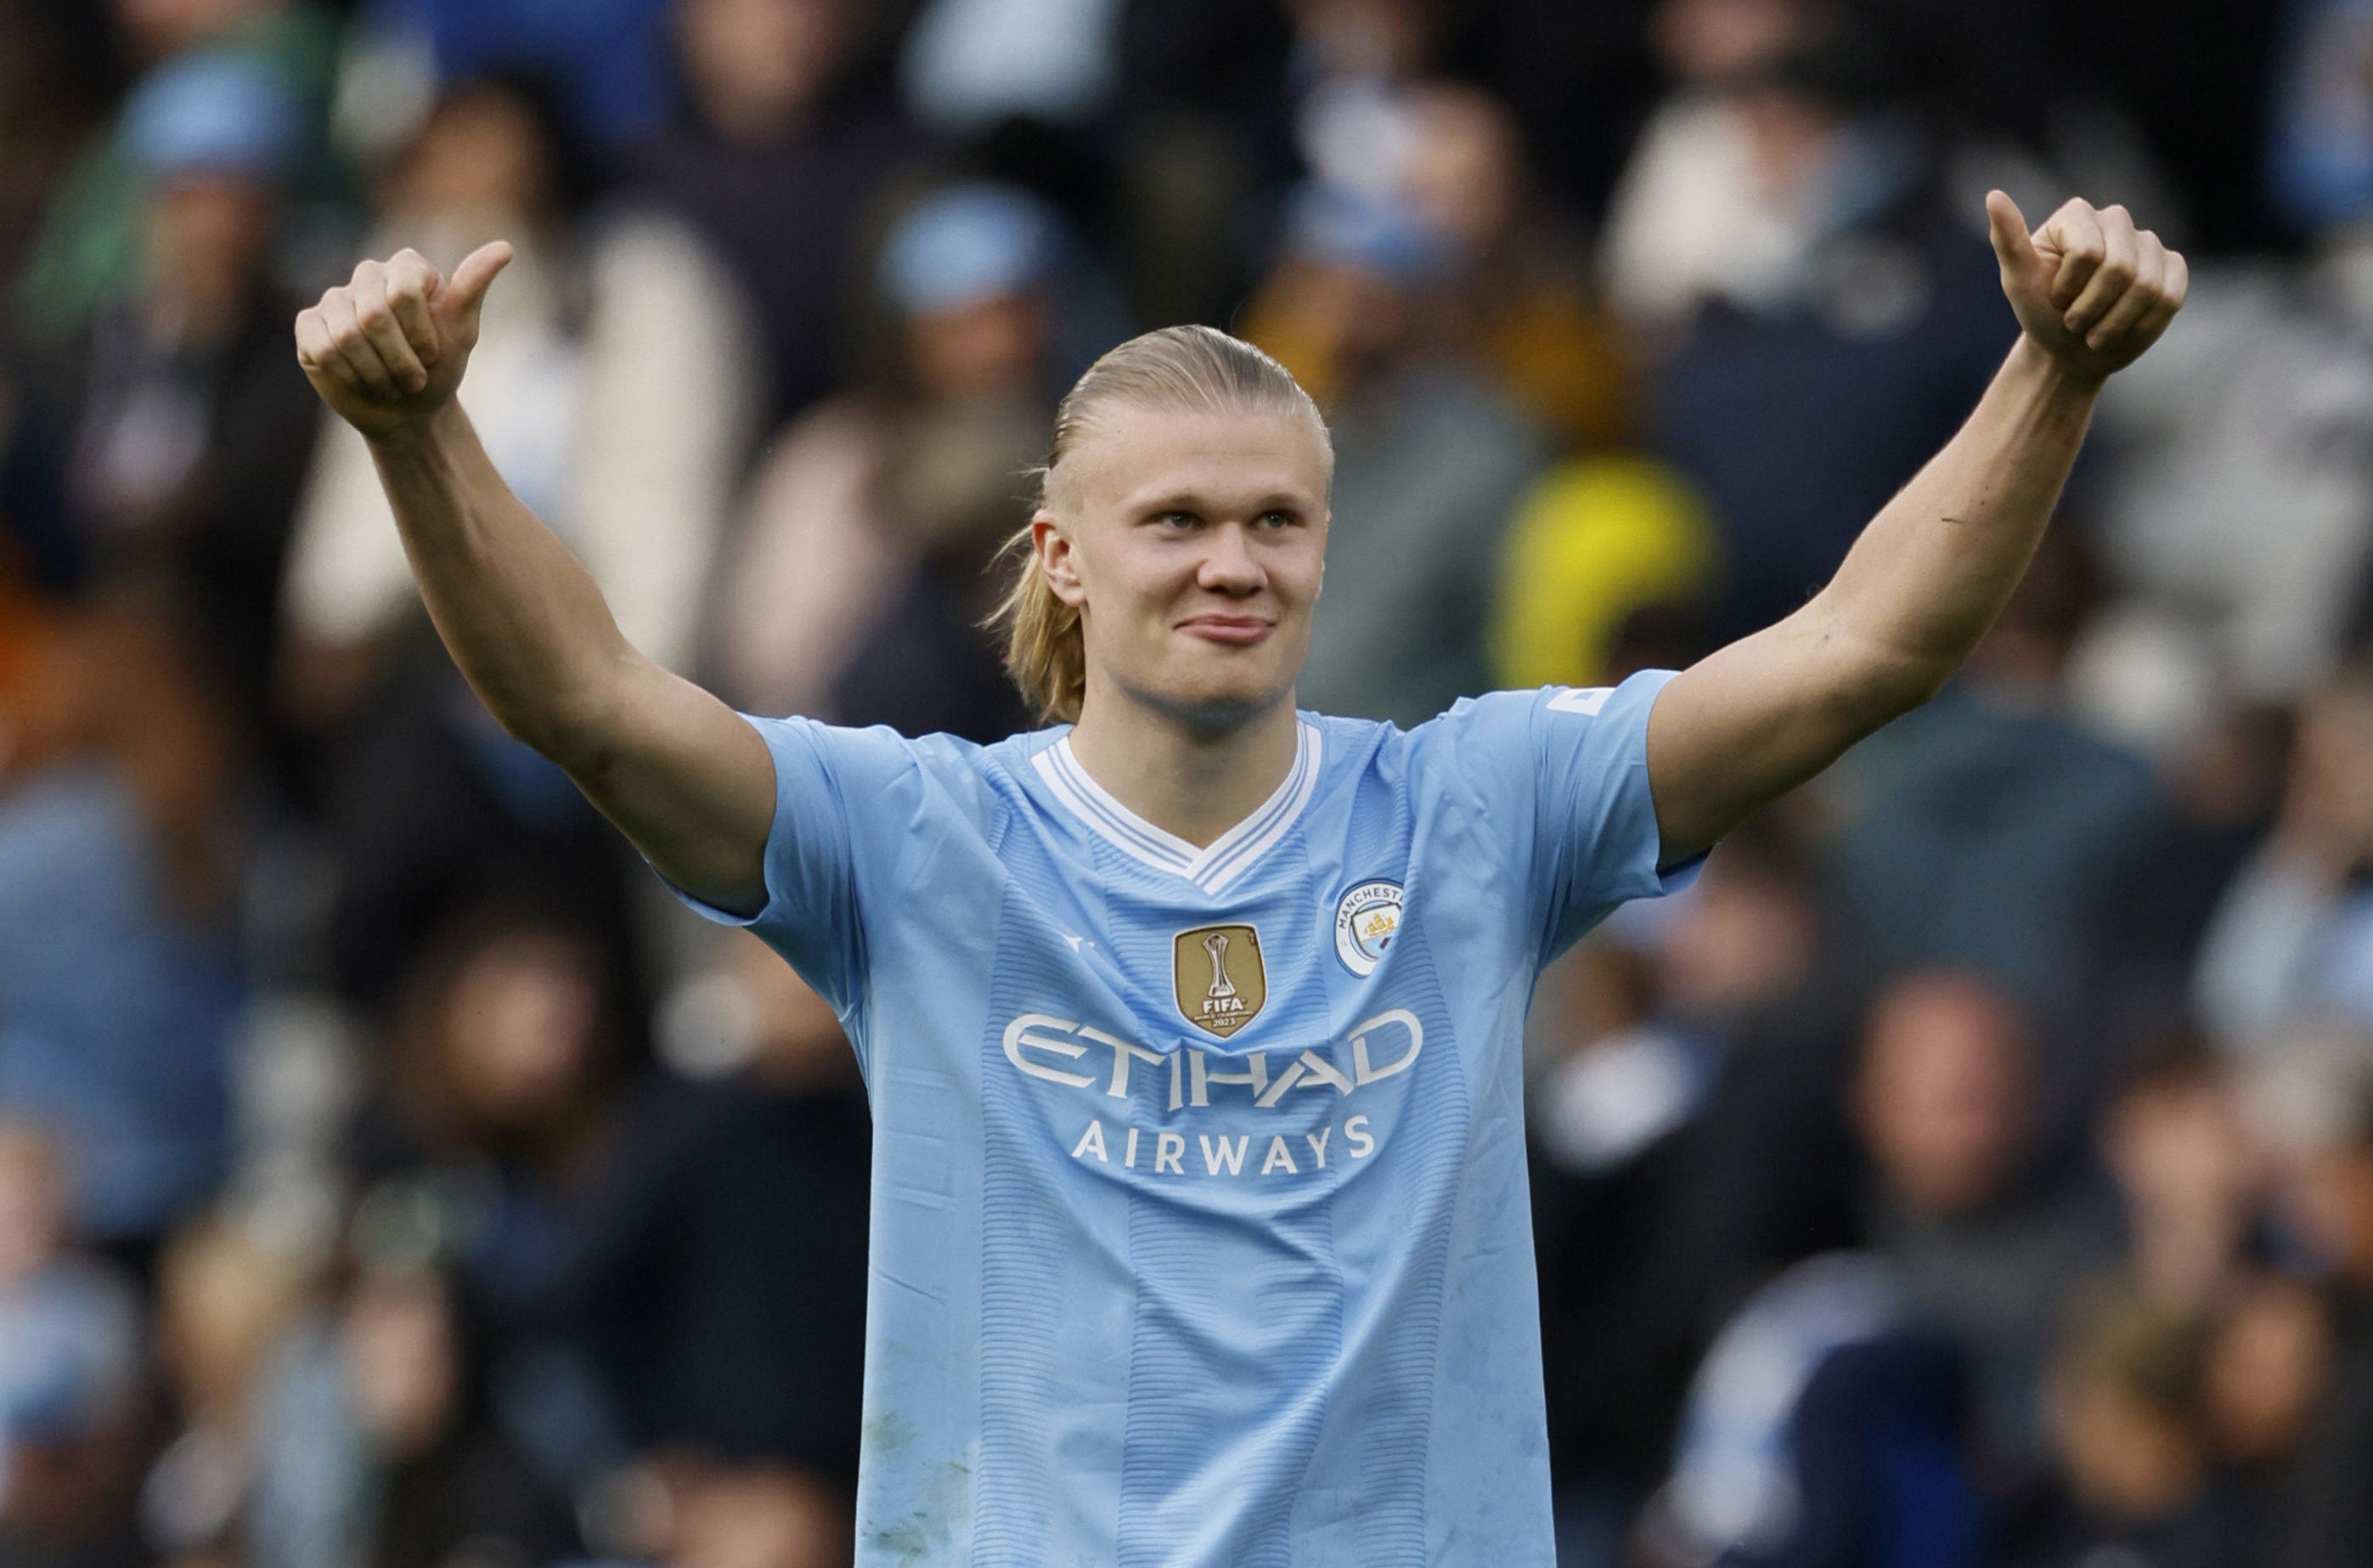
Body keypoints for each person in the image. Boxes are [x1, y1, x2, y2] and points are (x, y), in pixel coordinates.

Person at [286, 186, 2186, 1560]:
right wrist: (413, 428)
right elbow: (590, 702)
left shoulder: (1477, 807)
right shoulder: (921, 839)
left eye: (1276, 517)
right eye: (1173, 516)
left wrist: (2046, 374)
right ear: (1058, 555)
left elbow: (1858, 649)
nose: (1230, 559)